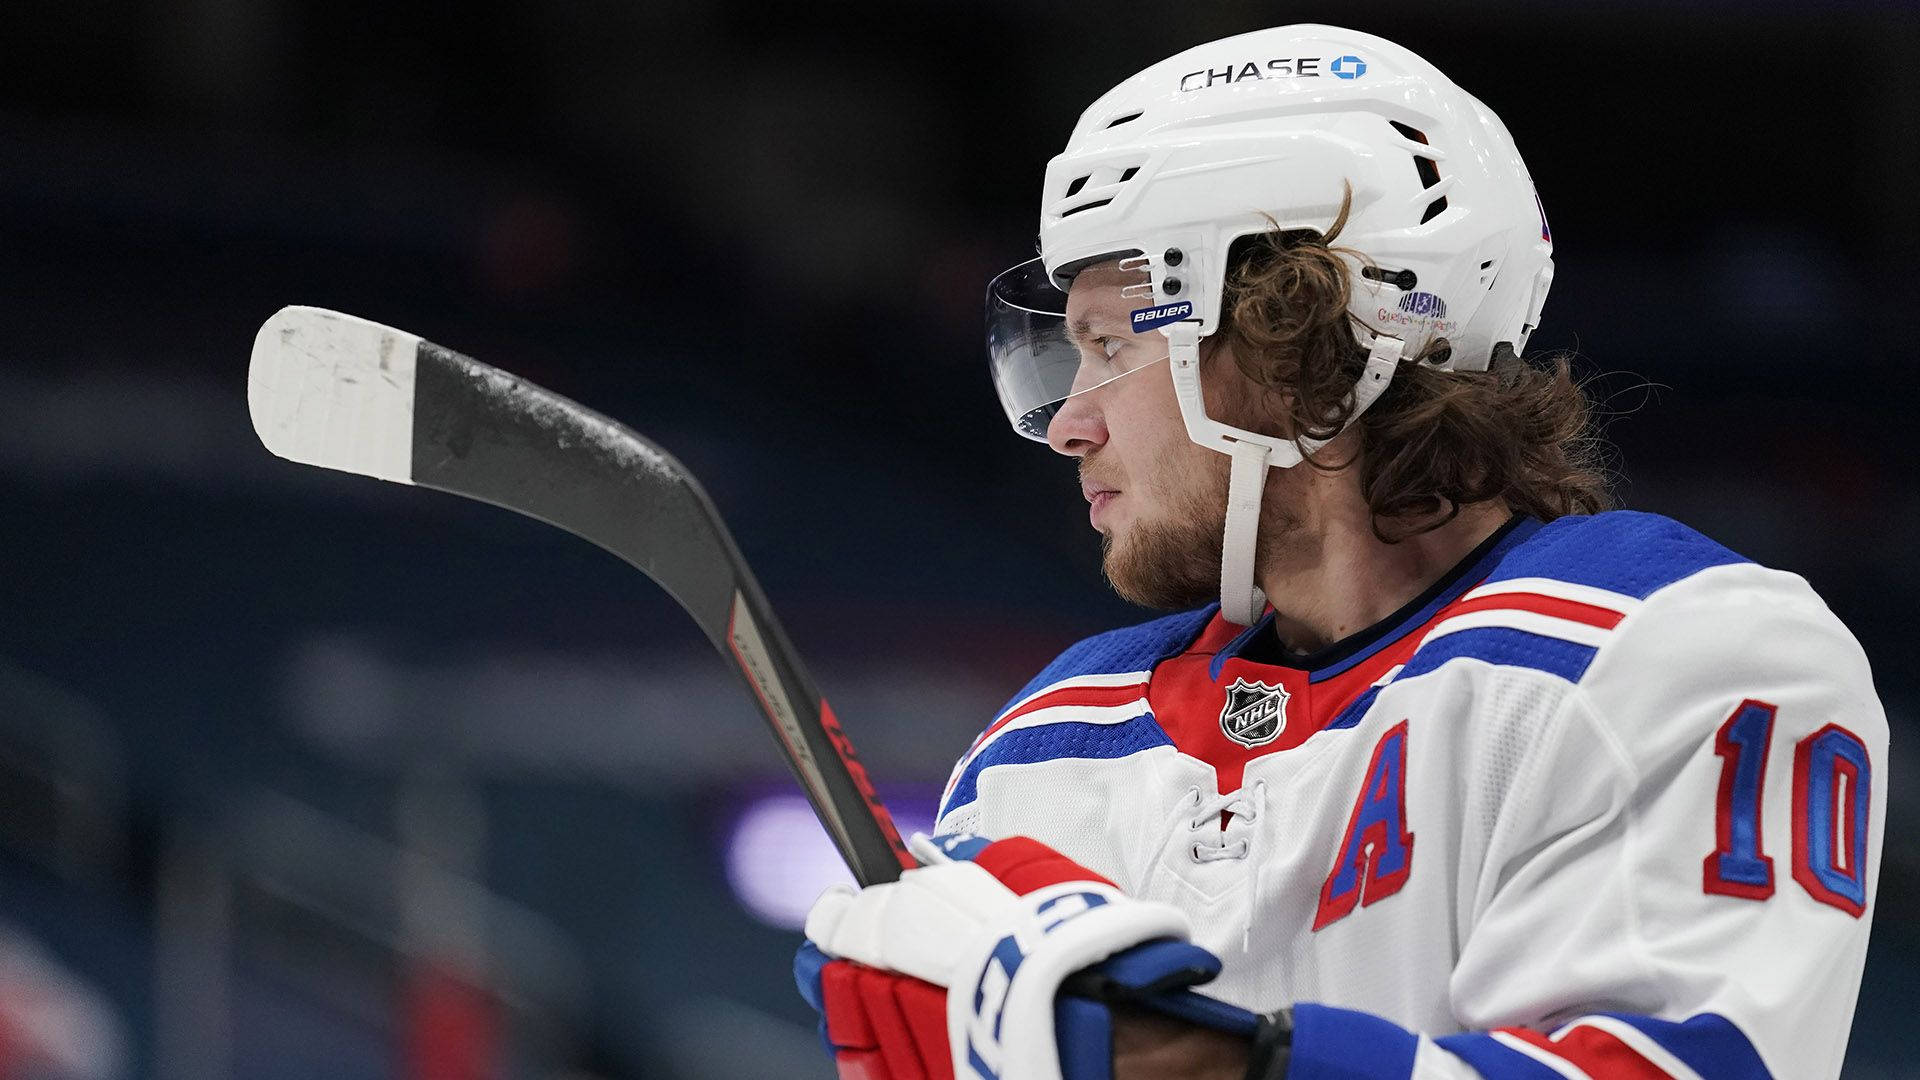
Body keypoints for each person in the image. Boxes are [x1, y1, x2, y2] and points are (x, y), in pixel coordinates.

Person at [796, 23, 1886, 1080]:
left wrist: (1196, 1061)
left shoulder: (1664, 652)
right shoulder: (1048, 749)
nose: (1070, 424)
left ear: (1296, 336)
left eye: (1112, 345)